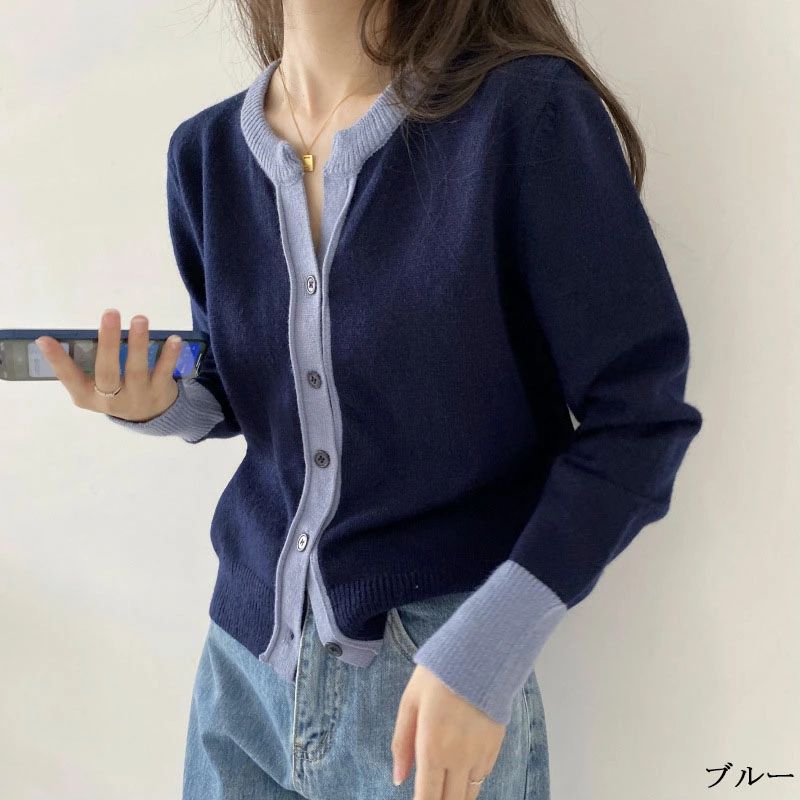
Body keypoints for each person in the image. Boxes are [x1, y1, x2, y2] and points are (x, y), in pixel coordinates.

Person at [34, 0, 703, 798]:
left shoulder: (526, 116)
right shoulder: (205, 154)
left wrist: (485, 653)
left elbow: (639, 420)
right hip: (241, 675)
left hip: (434, 688)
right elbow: (243, 392)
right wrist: (154, 406)